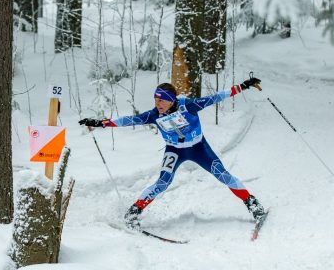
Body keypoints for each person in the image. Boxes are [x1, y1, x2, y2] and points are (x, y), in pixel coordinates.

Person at [79, 77, 265, 230]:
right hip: (174, 150)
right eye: (155, 99)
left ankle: (253, 205)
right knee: (162, 182)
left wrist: (243, 86)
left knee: (223, 175)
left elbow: (216, 97)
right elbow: (129, 120)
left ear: (171, 99)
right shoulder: (154, 114)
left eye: (161, 99)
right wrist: (101, 123)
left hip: (199, 148)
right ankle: (133, 213)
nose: (157, 103)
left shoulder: (188, 106)